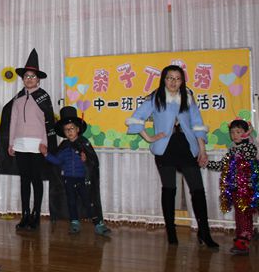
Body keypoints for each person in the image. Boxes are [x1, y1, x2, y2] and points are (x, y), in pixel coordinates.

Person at [126, 65, 218, 248]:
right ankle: (171, 232)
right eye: (170, 78)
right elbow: (136, 118)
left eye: (177, 78)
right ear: (164, 79)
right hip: (165, 149)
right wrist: (150, 138)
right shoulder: (156, 98)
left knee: (198, 191)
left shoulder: (188, 98)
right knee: (169, 189)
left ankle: (204, 232)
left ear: (182, 81)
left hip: (187, 147)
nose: (173, 82)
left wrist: (202, 150)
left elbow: (197, 124)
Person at [0, 49, 57, 230]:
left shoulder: (43, 97)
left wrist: (45, 143)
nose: (29, 79)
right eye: (26, 76)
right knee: (24, 180)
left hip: (37, 145)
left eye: (33, 76)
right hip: (21, 144)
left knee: (36, 179)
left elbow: (48, 122)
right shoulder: (18, 98)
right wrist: (11, 143)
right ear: (23, 79)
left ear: (38, 80)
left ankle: (36, 215)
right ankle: (25, 215)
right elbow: (13, 121)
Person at [42, 106, 111, 236]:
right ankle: (74, 222)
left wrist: (86, 160)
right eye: (66, 129)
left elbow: (93, 161)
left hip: (82, 179)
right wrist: (46, 154)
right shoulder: (64, 146)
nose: (69, 131)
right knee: (71, 201)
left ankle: (98, 224)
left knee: (88, 201)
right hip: (68, 179)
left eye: (72, 128)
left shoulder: (84, 143)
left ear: (78, 129)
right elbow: (57, 161)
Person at [206, 119, 257, 255]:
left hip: (246, 189)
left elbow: (248, 155)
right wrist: (205, 163)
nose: (235, 135)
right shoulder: (232, 150)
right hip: (234, 187)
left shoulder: (249, 147)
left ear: (246, 133)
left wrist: (248, 138)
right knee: (239, 215)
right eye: (232, 132)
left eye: (239, 132)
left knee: (244, 214)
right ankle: (241, 238)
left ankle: (243, 241)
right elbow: (222, 165)